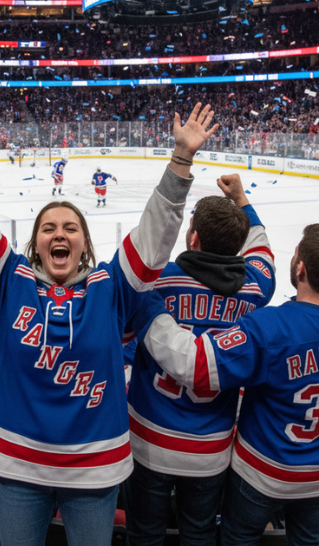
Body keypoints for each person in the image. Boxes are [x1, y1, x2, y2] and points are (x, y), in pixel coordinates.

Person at [0, 87, 218, 546]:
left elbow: (153, 237)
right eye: (49, 228)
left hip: (94, 467)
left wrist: (181, 158)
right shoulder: (12, 281)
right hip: (17, 462)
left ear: (84, 244)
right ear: (35, 243)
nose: (59, 234)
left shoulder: (111, 288)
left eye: (70, 228)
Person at [129, 194, 319, 546]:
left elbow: (197, 364)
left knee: (225, 537)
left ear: (299, 269)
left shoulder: (269, 327)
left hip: (259, 467)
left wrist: (147, 308)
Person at [124, 174, 276, 546]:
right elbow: (263, 254)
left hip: (149, 438)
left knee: (143, 534)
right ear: (237, 248)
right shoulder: (256, 289)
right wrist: (242, 199)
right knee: (199, 534)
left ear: (193, 238)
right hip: (211, 447)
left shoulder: (155, 283)